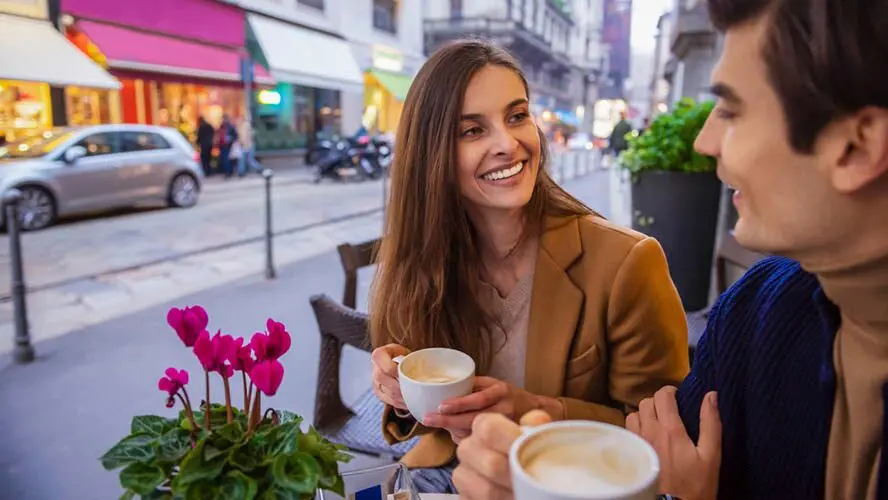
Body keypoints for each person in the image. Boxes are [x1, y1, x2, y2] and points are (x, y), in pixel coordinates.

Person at [451, 0, 888, 498]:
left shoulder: (661, 275)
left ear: (858, 146)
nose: (705, 141)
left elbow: (648, 459)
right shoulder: (754, 311)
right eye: (471, 129)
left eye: (730, 109)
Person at [368, 39, 690, 494]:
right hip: (446, 477)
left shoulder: (626, 263)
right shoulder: (422, 259)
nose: (508, 144)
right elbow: (433, 422)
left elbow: (665, 437)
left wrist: (534, 409)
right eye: (472, 131)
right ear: (431, 155)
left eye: (517, 116)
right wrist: (401, 393)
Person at [216, 114, 238, 179]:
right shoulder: (221, 126)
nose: (223, 120)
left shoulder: (231, 127)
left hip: (229, 146)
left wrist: (230, 139)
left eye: (224, 119)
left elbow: (235, 136)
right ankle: (227, 172)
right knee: (224, 160)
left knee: (227, 160)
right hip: (222, 146)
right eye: (222, 119)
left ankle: (228, 173)